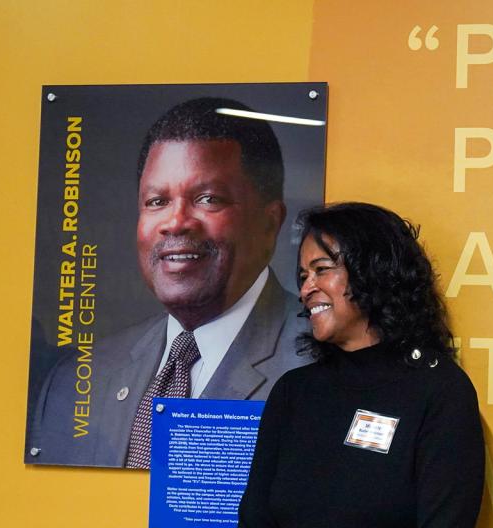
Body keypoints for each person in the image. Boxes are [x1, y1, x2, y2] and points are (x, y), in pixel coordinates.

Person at [232, 202, 484, 528]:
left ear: (374, 272)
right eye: (302, 276)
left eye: (323, 270)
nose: (306, 289)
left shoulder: (438, 392)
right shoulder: (293, 393)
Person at [26, 97, 311, 467]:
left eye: (207, 199)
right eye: (157, 201)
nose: (175, 223)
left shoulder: (317, 366)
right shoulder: (76, 380)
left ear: (270, 223)